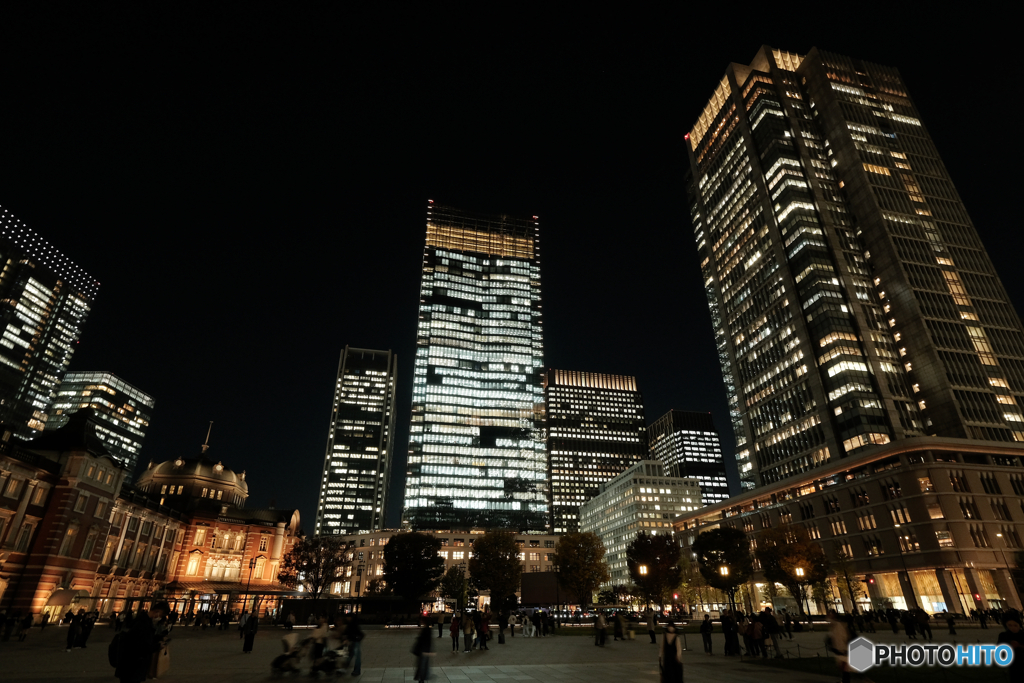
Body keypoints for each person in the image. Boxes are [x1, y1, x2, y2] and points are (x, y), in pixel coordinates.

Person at [114, 600, 169, 683]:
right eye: (161, 615)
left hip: (132, 665)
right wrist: (157, 646)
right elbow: (141, 647)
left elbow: (144, 639)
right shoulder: (143, 624)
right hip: (132, 665)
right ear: (157, 611)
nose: (160, 618)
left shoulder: (144, 621)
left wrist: (158, 638)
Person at [826, 610, 851, 683]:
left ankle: (846, 681)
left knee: (845, 667)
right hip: (841, 649)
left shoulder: (838, 625)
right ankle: (845, 680)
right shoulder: (838, 625)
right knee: (844, 667)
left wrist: (841, 649)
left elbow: (842, 638)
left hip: (842, 649)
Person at [997, 616, 1023, 683]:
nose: (1013, 628)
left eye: (1015, 625)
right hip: (1013, 664)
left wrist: (1020, 646)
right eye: (1010, 625)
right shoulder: (1003, 635)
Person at [413, 618, 433, 683]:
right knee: (423, 666)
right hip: (425, 650)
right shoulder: (428, 629)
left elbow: (425, 641)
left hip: (423, 651)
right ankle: (422, 679)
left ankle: (421, 679)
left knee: (422, 666)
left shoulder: (426, 630)